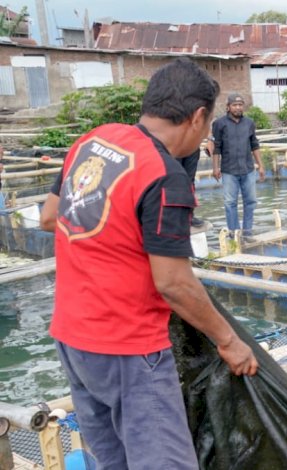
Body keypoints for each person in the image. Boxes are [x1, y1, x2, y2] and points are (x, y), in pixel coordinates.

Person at [39, 58, 258, 469]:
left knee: (114, 461)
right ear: (197, 118)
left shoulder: (92, 142)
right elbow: (173, 283)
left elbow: (51, 217)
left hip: (72, 338)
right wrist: (229, 341)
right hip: (129, 350)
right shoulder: (165, 175)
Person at [211, 93, 264, 236]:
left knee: (251, 201)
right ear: (228, 107)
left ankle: (247, 232)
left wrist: (261, 165)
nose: (238, 108)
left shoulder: (249, 123)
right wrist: (215, 167)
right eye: (234, 105)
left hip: (248, 169)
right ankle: (234, 234)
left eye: (240, 105)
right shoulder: (219, 124)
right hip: (229, 170)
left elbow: (254, 144)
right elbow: (216, 147)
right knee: (230, 203)